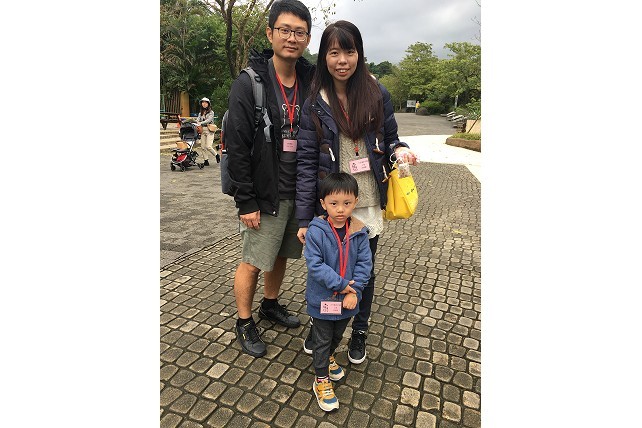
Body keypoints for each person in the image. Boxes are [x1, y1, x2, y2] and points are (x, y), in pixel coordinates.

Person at [296, 20, 418, 365]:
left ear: (359, 54)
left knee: (364, 271)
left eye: (349, 51)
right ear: (324, 56)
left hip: (366, 203)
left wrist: (400, 150)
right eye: (334, 52)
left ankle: (359, 329)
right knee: (325, 268)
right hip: (331, 204)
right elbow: (306, 164)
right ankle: (323, 323)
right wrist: (305, 218)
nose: (342, 60)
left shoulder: (376, 93)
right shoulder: (314, 102)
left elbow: (391, 138)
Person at [226, 0, 315, 358]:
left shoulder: (310, 81)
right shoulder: (249, 83)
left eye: (299, 32)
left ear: (307, 39)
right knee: (253, 259)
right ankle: (244, 320)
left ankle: (270, 303)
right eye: (285, 30)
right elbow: (236, 146)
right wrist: (245, 200)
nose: (292, 38)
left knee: (280, 254)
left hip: (298, 191)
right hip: (264, 193)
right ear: (270, 33)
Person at [304, 172, 372, 411]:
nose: (341, 209)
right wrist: (342, 286)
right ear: (323, 204)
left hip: (348, 300)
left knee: (336, 336)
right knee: (322, 340)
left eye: (347, 203)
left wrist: (355, 291)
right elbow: (315, 265)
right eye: (334, 203)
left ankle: (329, 357)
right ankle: (321, 379)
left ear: (356, 202)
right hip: (322, 300)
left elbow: (365, 264)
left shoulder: (360, 232)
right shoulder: (316, 231)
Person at [194, 97, 219, 165]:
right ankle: (206, 160)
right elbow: (198, 120)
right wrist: (196, 122)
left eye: (205, 102)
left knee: (208, 146)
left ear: (208, 104)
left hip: (209, 130)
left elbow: (209, 120)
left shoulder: (211, 112)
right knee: (203, 146)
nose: (204, 104)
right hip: (202, 130)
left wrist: (200, 123)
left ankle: (216, 155)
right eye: (203, 102)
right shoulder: (200, 113)